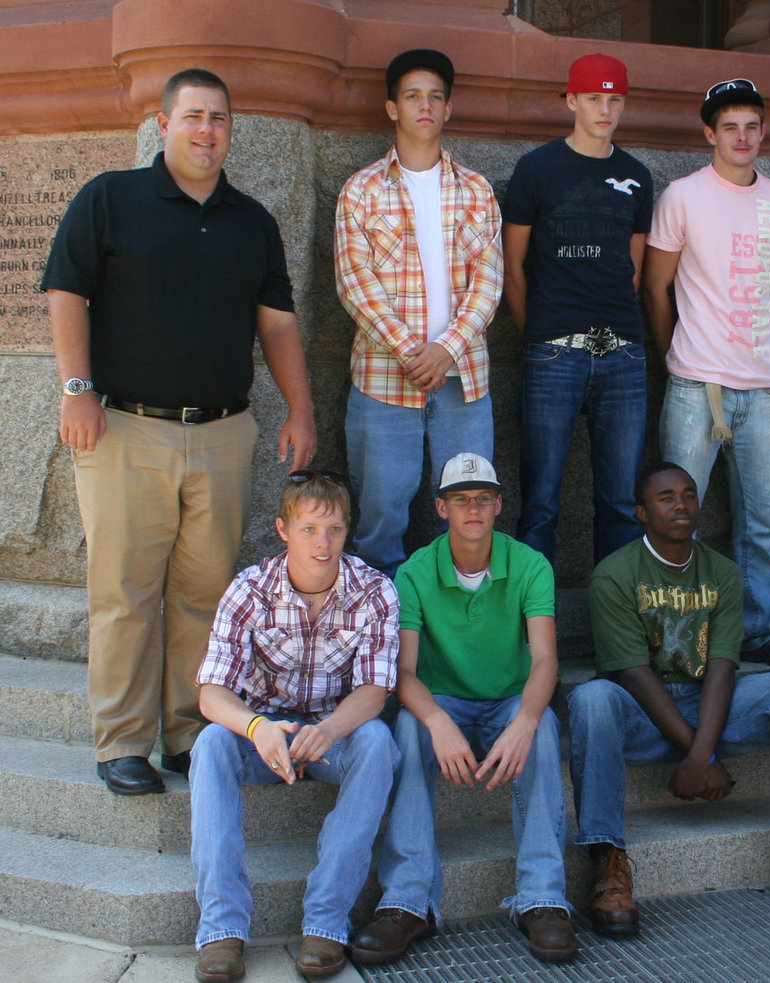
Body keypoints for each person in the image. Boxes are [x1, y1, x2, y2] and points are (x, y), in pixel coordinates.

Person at [41, 68, 318, 796]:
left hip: (223, 434)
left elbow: (279, 323)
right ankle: (123, 740)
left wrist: (302, 409)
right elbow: (65, 291)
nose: (206, 130)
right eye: (193, 116)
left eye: (219, 119)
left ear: (232, 129)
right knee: (125, 592)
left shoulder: (252, 221)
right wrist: (77, 388)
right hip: (125, 428)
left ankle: (189, 732)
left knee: (205, 594)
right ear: (162, 125)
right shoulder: (111, 198)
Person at [569, 462, 770, 937]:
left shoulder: (720, 571)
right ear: (640, 512)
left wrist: (703, 754)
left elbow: (722, 665)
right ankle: (608, 864)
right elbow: (633, 675)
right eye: (665, 497)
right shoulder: (613, 574)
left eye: (689, 494)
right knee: (591, 699)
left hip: (710, 707)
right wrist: (701, 757)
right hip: (643, 716)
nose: (680, 504)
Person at [353, 453, 576, 965]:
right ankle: (408, 901)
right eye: (460, 499)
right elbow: (402, 673)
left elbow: (546, 660)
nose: (472, 508)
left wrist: (523, 721)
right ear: (441, 508)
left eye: (482, 499)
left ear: (499, 505)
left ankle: (542, 897)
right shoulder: (414, 572)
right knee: (407, 729)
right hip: (444, 699)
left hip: (508, 699)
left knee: (542, 727)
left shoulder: (529, 564)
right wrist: (436, 720)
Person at [190, 472, 399, 981]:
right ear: (283, 529)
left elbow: (374, 691)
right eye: (308, 529)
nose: (321, 543)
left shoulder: (375, 593)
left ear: (348, 530)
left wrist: (328, 730)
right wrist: (257, 726)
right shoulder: (250, 588)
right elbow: (212, 693)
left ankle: (326, 923)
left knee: (377, 741)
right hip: (265, 736)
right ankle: (222, 930)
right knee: (213, 741)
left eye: (333, 529)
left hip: (334, 735)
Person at [643, 78, 770, 658]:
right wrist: (678, 351)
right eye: (729, 126)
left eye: (751, 126)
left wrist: (751, 343)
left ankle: (756, 636)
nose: (741, 137)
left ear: (763, 133)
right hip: (695, 384)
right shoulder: (683, 196)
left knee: (760, 526)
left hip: (761, 389)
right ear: (709, 133)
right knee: (675, 522)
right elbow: (656, 287)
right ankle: (673, 639)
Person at [336, 49, 502, 577]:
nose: (424, 106)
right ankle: (380, 644)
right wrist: (413, 352)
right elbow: (354, 283)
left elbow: (489, 280)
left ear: (448, 109)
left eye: (435, 96)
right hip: (386, 380)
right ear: (392, 108)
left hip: (463, 384)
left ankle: (459, 639)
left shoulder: (475, 190)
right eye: (412, 96)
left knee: (470, 513)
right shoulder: (362, 189)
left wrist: (445, 349)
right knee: (381, 520)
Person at [502, 53, 654, 566]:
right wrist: (539, 336)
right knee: (541, 502)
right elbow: (513, 265)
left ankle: (616, 638)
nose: (604, 109)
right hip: (553, 353)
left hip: (624, 356)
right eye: (594, 97)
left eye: (614, 99)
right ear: (571, 100)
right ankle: (532, 634)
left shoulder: (635, 175)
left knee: (619, 503)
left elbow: (631, 271)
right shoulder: (537, 169)